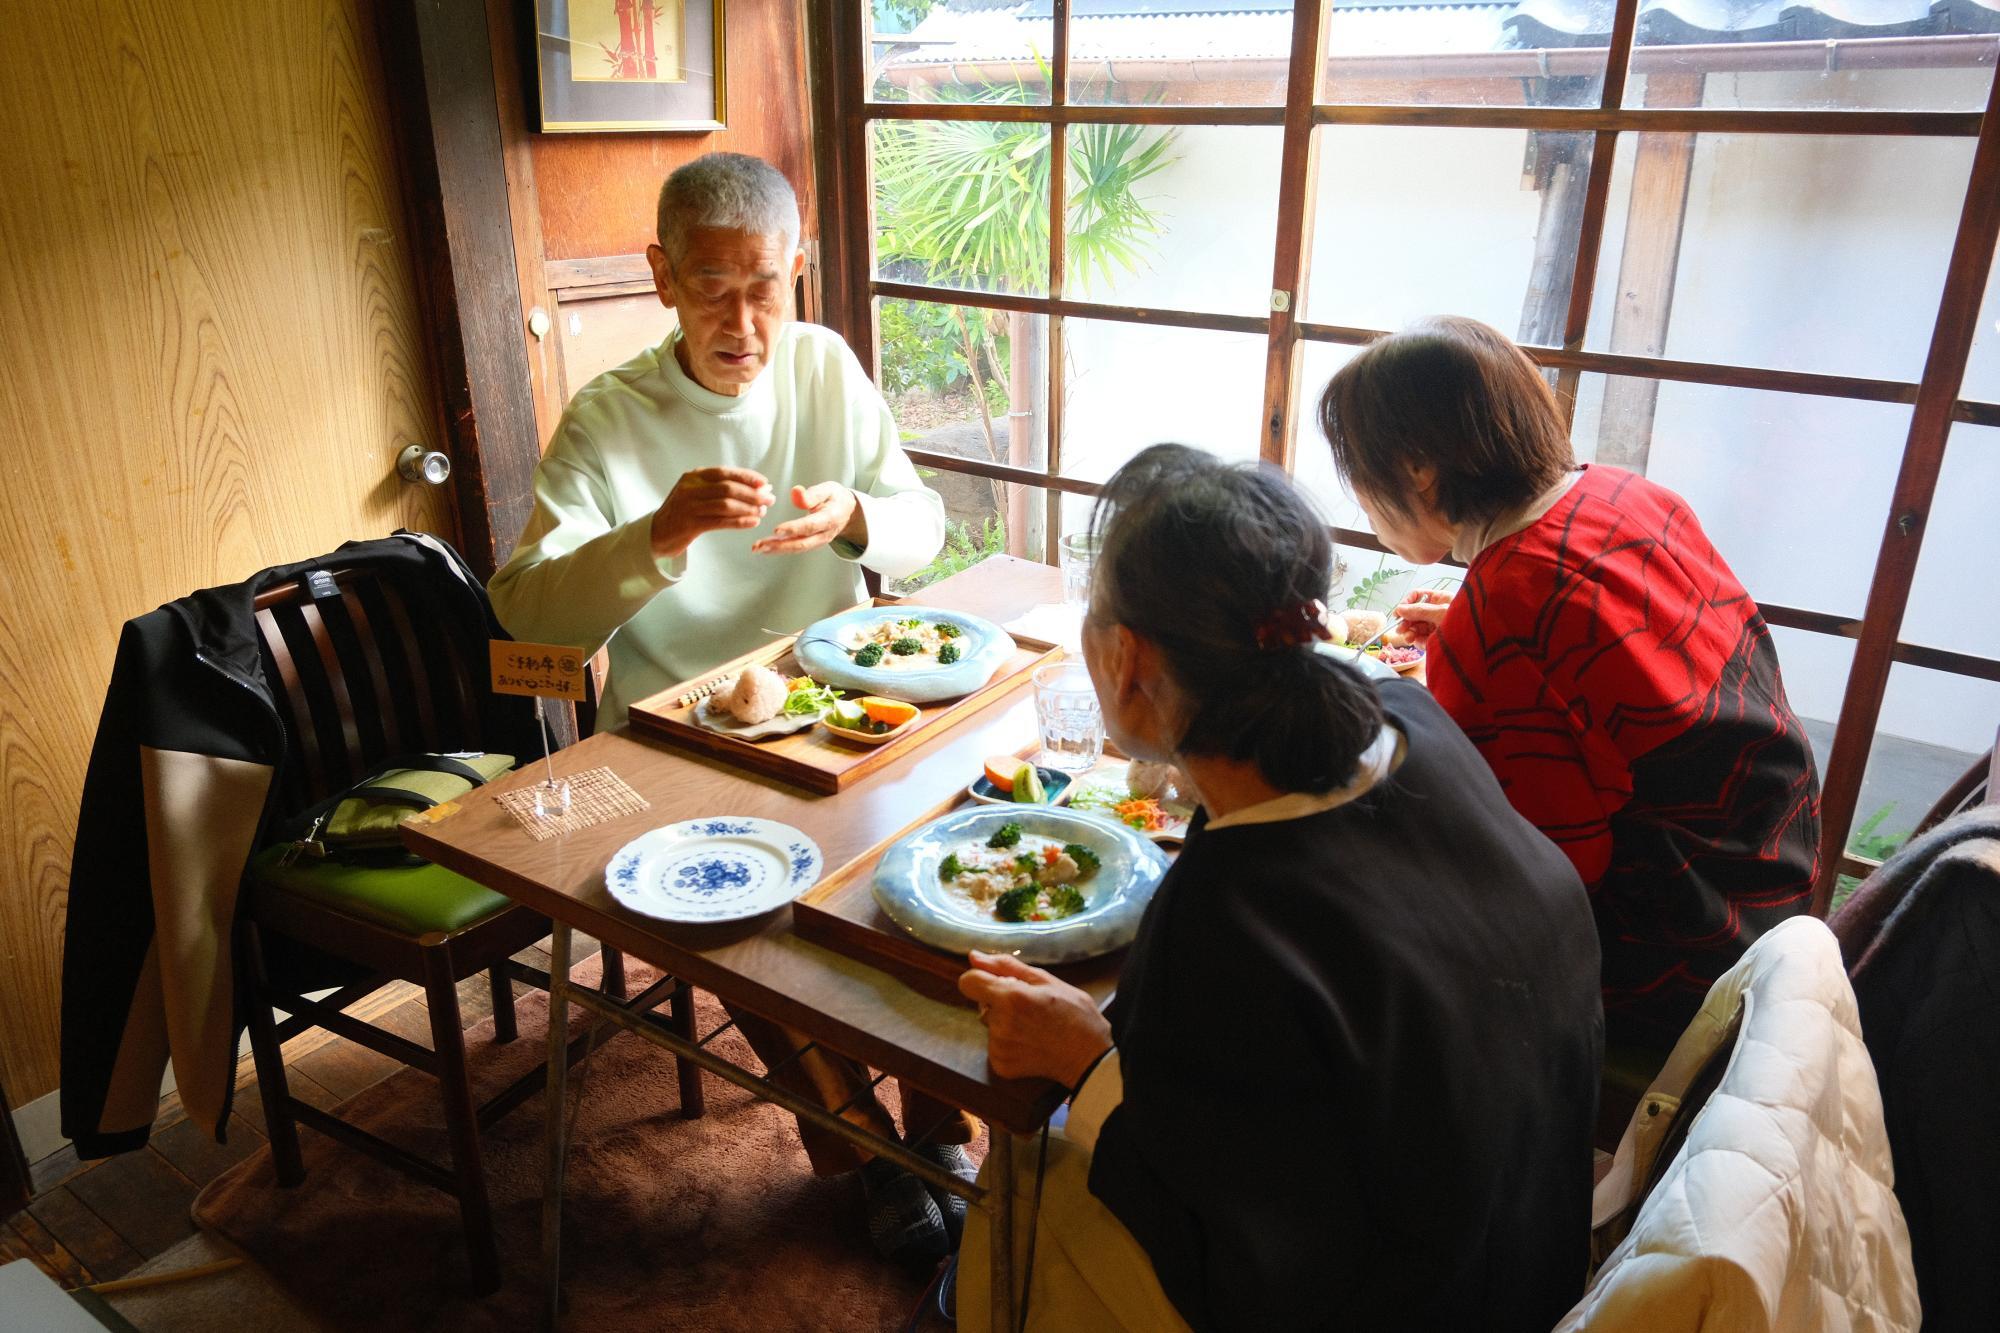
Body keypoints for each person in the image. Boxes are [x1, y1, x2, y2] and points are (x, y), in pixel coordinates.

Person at [953, 445, 1604, 1331]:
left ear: (1127, 658)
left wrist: (1087, 1063)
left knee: (1030, 1167)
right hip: (1533, 1235)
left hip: (1405, 1298)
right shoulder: (1415, 723)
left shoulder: (1226, 915)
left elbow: (1244, 1255)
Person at [489, 153, 967, 1264]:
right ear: (661, 277)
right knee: (743, 917)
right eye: (712, 287)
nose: (742, 321)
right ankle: (867, 1159)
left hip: (843, 707)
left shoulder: (825, 368)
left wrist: (856, 515)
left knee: (927, 866)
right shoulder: (611, 418)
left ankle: (941, 1139)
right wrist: (652, 537)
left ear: (795, 270)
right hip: (679, 740)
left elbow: (921, 522)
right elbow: (526, 618)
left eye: (763, 286)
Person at [1317, 315, 1822, 1053]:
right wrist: (1474, 619)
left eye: (1359, 476)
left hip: (1679, 956)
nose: (1361, 500)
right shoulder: (1624, 496)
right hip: (1775, 879)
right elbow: (1623, 645)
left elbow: (1544, 874)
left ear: (1419, 467)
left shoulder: (1505, 612)